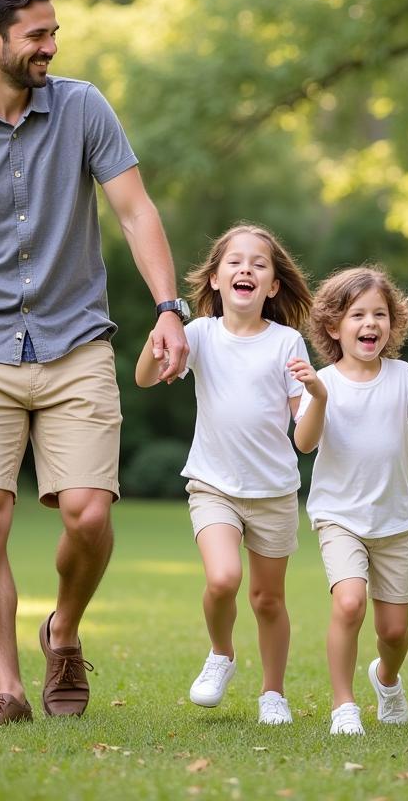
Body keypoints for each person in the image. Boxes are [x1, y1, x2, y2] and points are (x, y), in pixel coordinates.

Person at [0, 0, 189, 728]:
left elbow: (134, 207)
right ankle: (9, 689)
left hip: (76, 341)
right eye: (37, 35)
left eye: (54, 33)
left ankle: (62, 627)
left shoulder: (83, 107)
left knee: (88, 514)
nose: (51, 46)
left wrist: (168, 306)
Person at [135, 223, 312, 725]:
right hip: (212, 485)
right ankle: (221, 653)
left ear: (273, 286)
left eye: (259, 264)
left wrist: (317, 398)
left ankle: (272, 693)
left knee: (268, 599)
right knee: (223, 578)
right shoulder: (198, 335)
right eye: (235, 262)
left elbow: (304, 428)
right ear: (215, 279)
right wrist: (157, 339)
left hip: (274, 491)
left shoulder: (288, 342)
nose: (246, 270)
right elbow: (145, 378)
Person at [291, 266, 408, 736]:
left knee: (393, 633)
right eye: (357, 315)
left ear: (392, 324)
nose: (370, 323)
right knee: (349, 604)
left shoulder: (401, 375)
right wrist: (317, 395)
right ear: (333, 326)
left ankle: (386, 678)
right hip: (339, 518)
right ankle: (343, 705)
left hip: (393, 521)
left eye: (380, 314)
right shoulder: (324, 381)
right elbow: (304, 443)